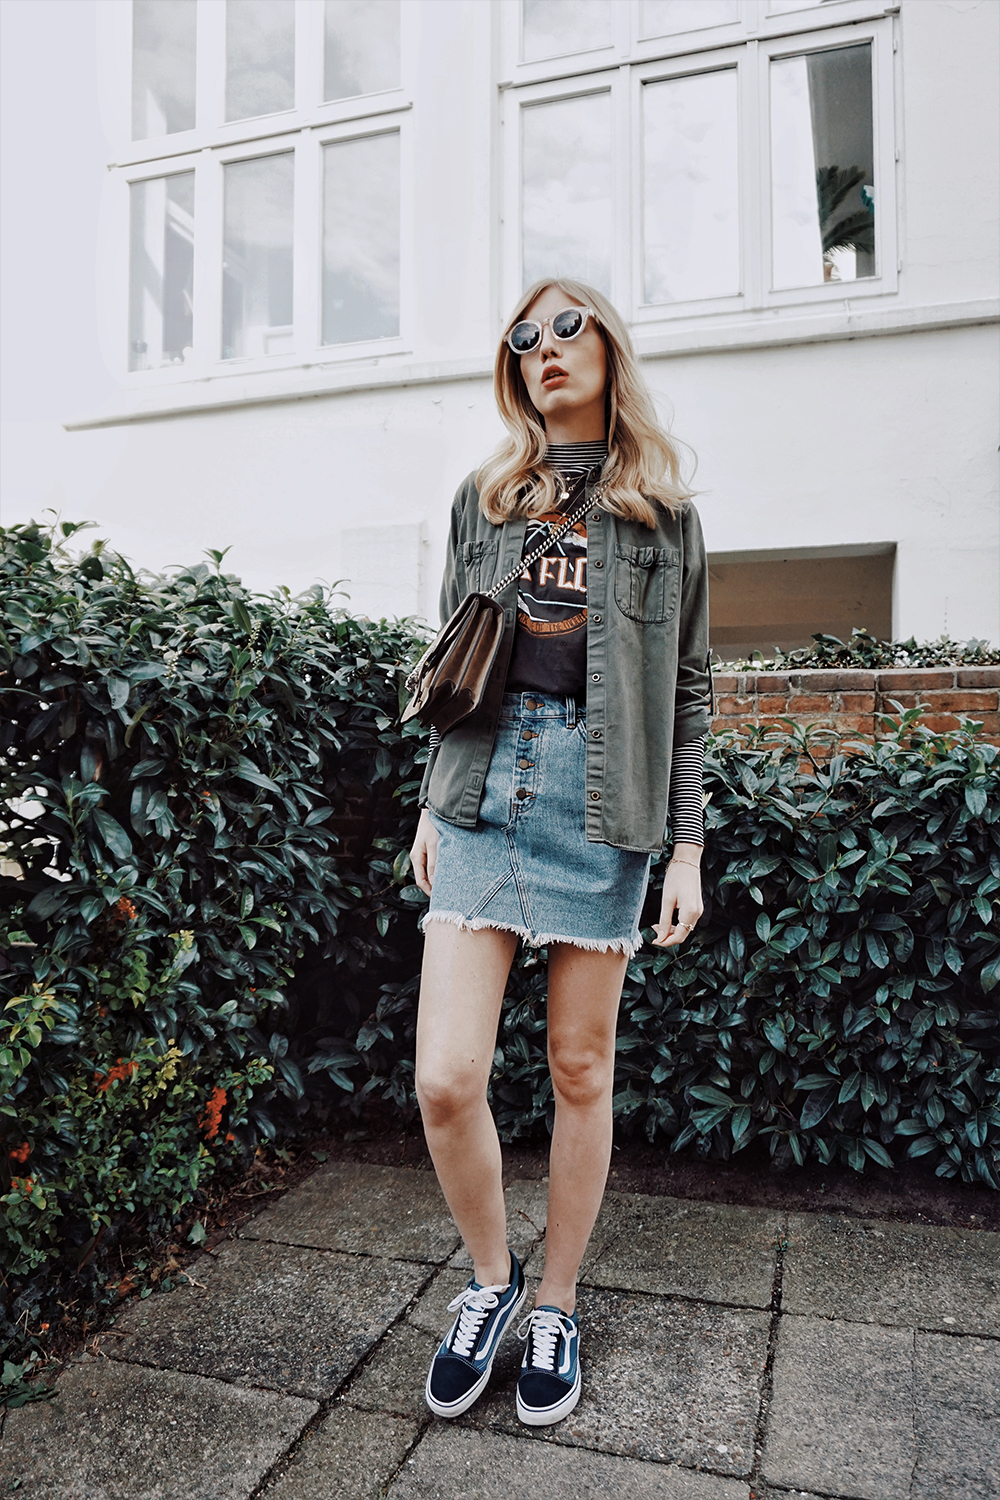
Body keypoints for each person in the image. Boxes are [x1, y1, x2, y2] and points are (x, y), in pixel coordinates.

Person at [408, 278, 711, 1428]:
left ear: (609, 352)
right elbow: (448, 660)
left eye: (567, 327)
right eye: (523, 336)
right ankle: (487, 1282)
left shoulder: (661, 517)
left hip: (604, 798)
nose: (544, 349)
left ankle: (556, 1303)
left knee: (581, 1070)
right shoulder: (482, 500)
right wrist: (430, 808)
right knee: (446, 1078)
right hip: (485, 787)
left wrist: (684, 849)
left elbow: (686, 690)